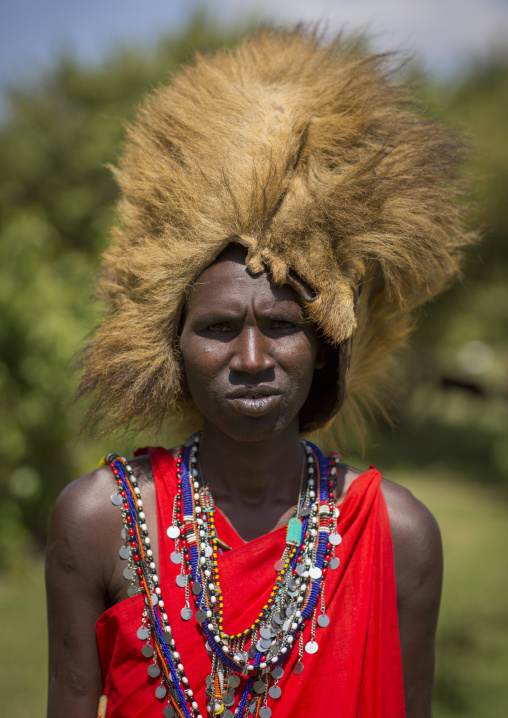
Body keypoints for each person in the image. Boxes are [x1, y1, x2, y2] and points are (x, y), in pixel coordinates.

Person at [45, 27, 474, 718]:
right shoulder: (101, 521)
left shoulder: (395, 534)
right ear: (172, 344)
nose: (250, 360)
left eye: (282, 327)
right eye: (217, 329)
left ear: (327, 345)